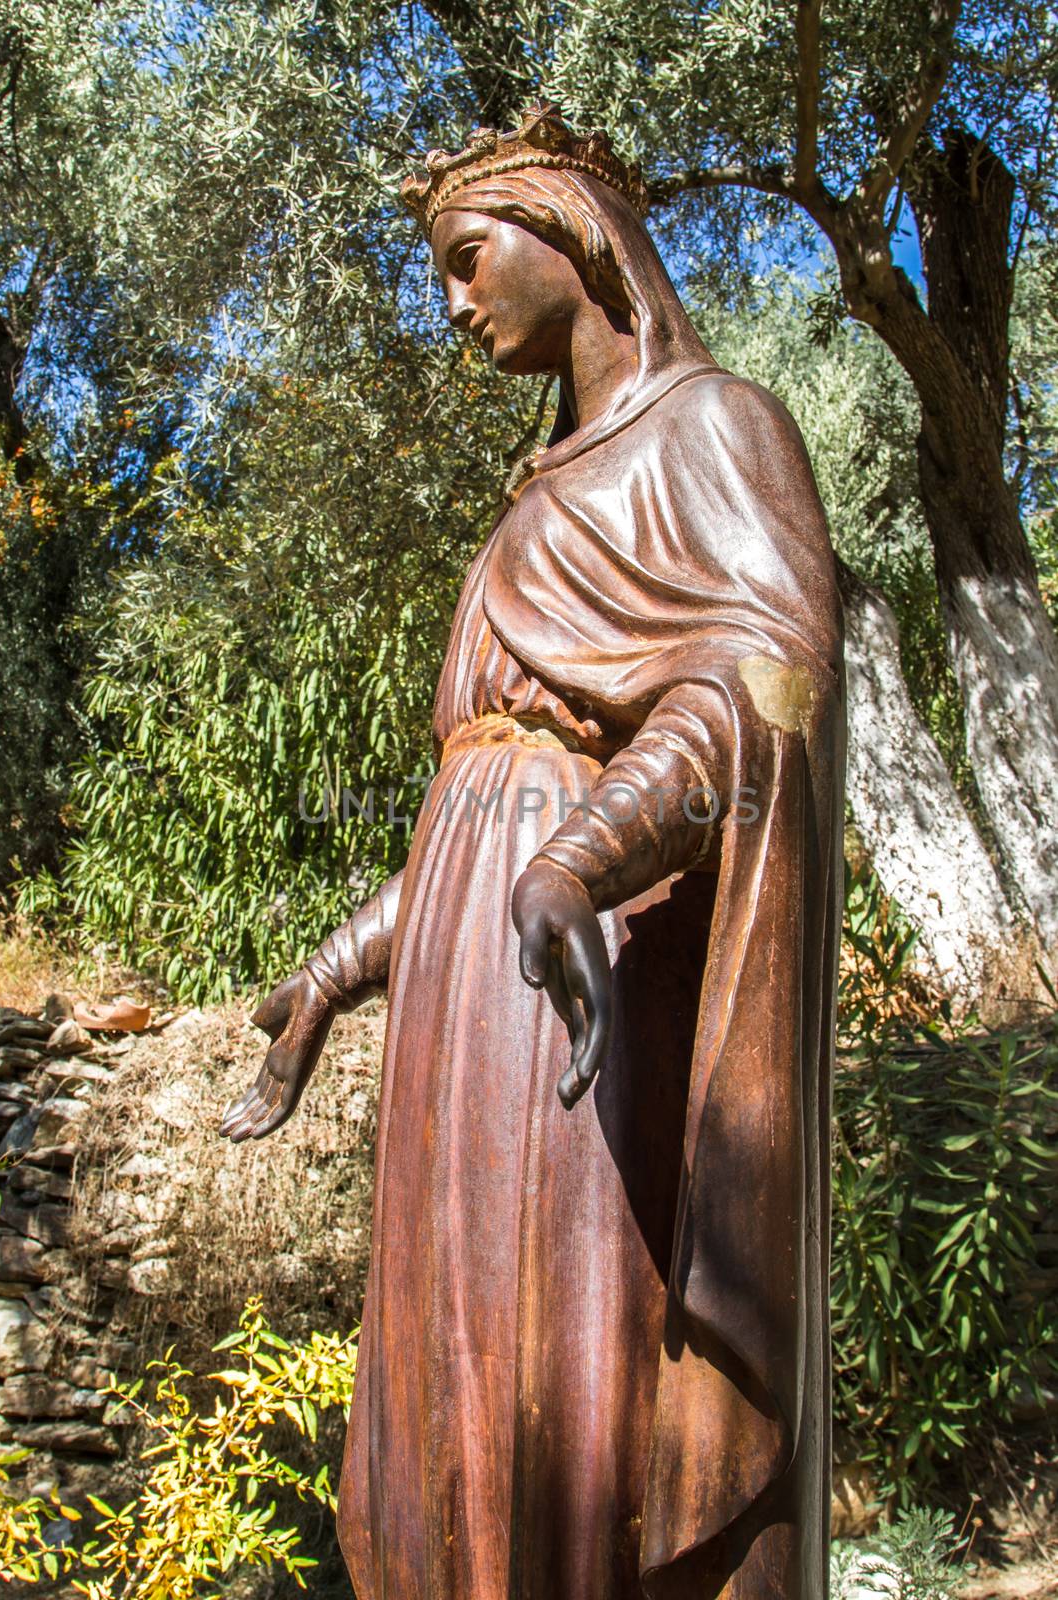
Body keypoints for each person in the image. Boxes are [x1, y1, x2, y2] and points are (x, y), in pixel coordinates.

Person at [220, 104, 844, 1600]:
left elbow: (761, 692)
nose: (450, 302)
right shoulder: (529, 505)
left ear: (573, 234)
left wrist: (584, 857)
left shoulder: (717, 429)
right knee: (453, 1403)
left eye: (463, 257)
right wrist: (334, 970)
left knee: (567, 1375)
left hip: (585, 990)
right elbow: (472, 818)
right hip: (465, 1010)